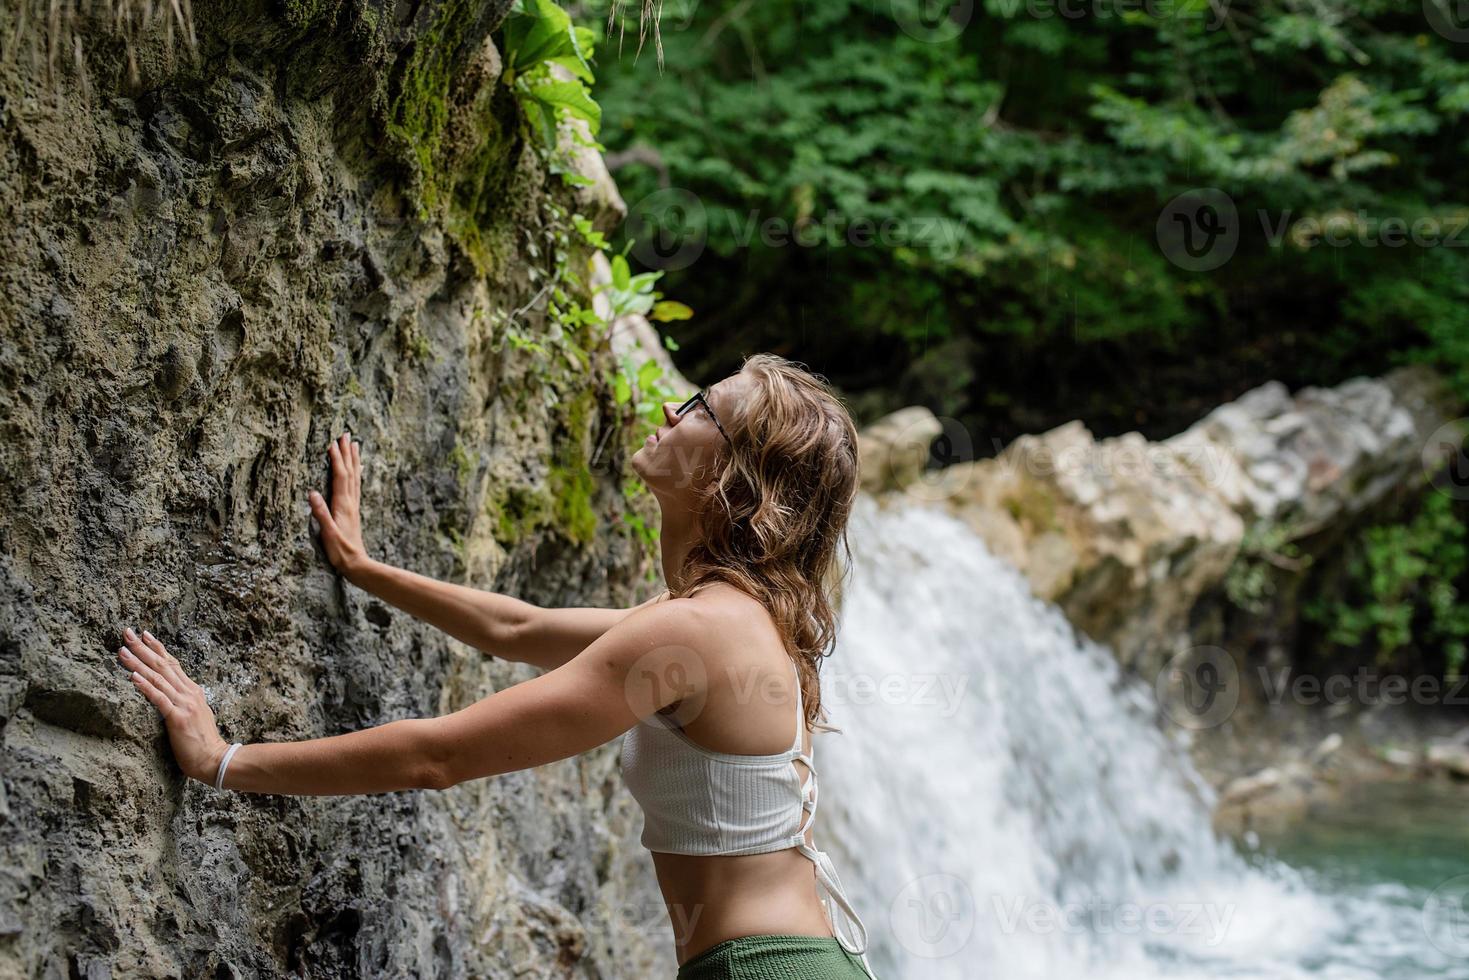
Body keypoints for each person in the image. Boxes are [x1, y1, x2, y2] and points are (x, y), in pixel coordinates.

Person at [113, 352, 877, 979]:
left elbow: (437, 757)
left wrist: (224, 760)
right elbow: (519, 627)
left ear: (736, 478)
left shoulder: (699, 629)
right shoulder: (726, 616)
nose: (674, 412)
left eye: (704, 410)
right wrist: (364, 568)